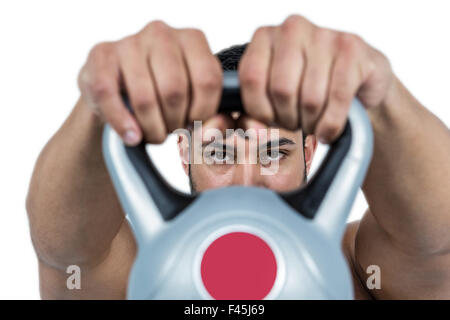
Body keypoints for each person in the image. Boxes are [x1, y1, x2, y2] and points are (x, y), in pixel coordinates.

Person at [26, 15, 450, 299]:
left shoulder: (360, 265)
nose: (249, 180)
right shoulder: (141, 270)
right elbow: (68, 254)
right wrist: (105, 105)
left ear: (308, 150)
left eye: (274, 152)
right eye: (219, 153)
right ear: (185, 153)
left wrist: (373, 95)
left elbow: (435, 239)